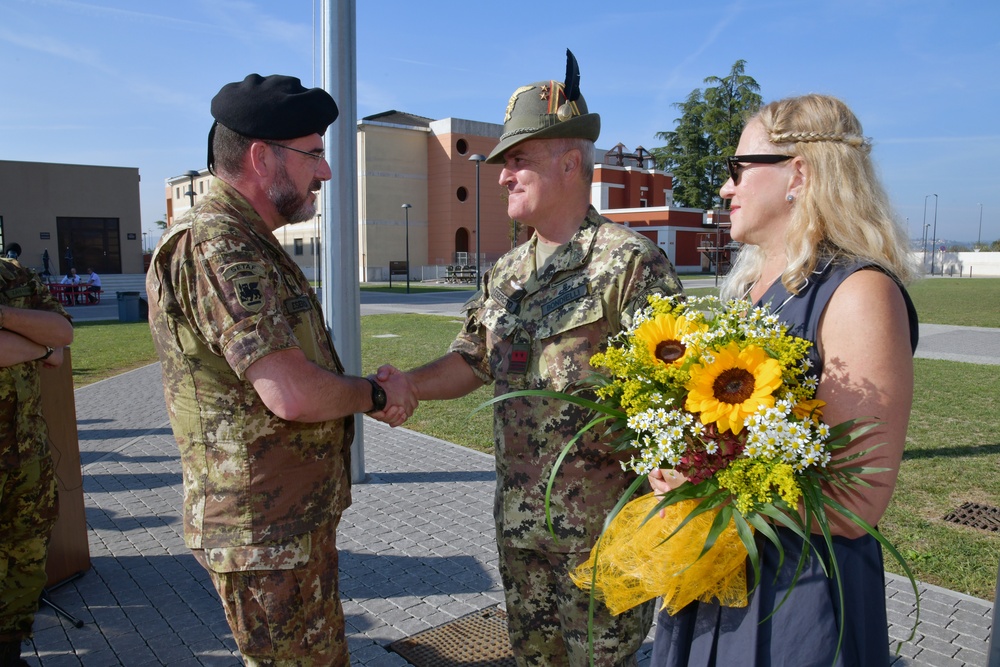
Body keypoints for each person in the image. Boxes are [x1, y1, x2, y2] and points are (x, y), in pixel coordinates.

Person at [375, 50, 683, 666]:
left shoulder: (631, 265)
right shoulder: (508, 272)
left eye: (518, 161)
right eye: (502, 164)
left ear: (569, 163)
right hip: (522, 527)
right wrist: (403, 383)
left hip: (602, 533)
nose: (502, 176)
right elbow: (472, 360)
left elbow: (676, 395)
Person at [146, 73, 416, 665]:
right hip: (263, 532)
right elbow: (291, 394)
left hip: (284, 522)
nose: (324, 171)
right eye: (313, 154)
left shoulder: (248, 238)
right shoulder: (220, 244)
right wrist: (376, 394)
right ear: (260, 156)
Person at [648, 93, 919, 667]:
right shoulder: (752, 294)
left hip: (795, 596)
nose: (726, 188)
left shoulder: (857, 294)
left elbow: (855, 499)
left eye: (737, 169)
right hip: (716, 577)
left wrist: (708, 496)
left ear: (798, 173)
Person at [0, 254, 73, 666]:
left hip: (28, 454)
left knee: (25, 560)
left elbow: (63, 334)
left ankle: (9, 654)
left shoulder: (14, 273)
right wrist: (41, 346)